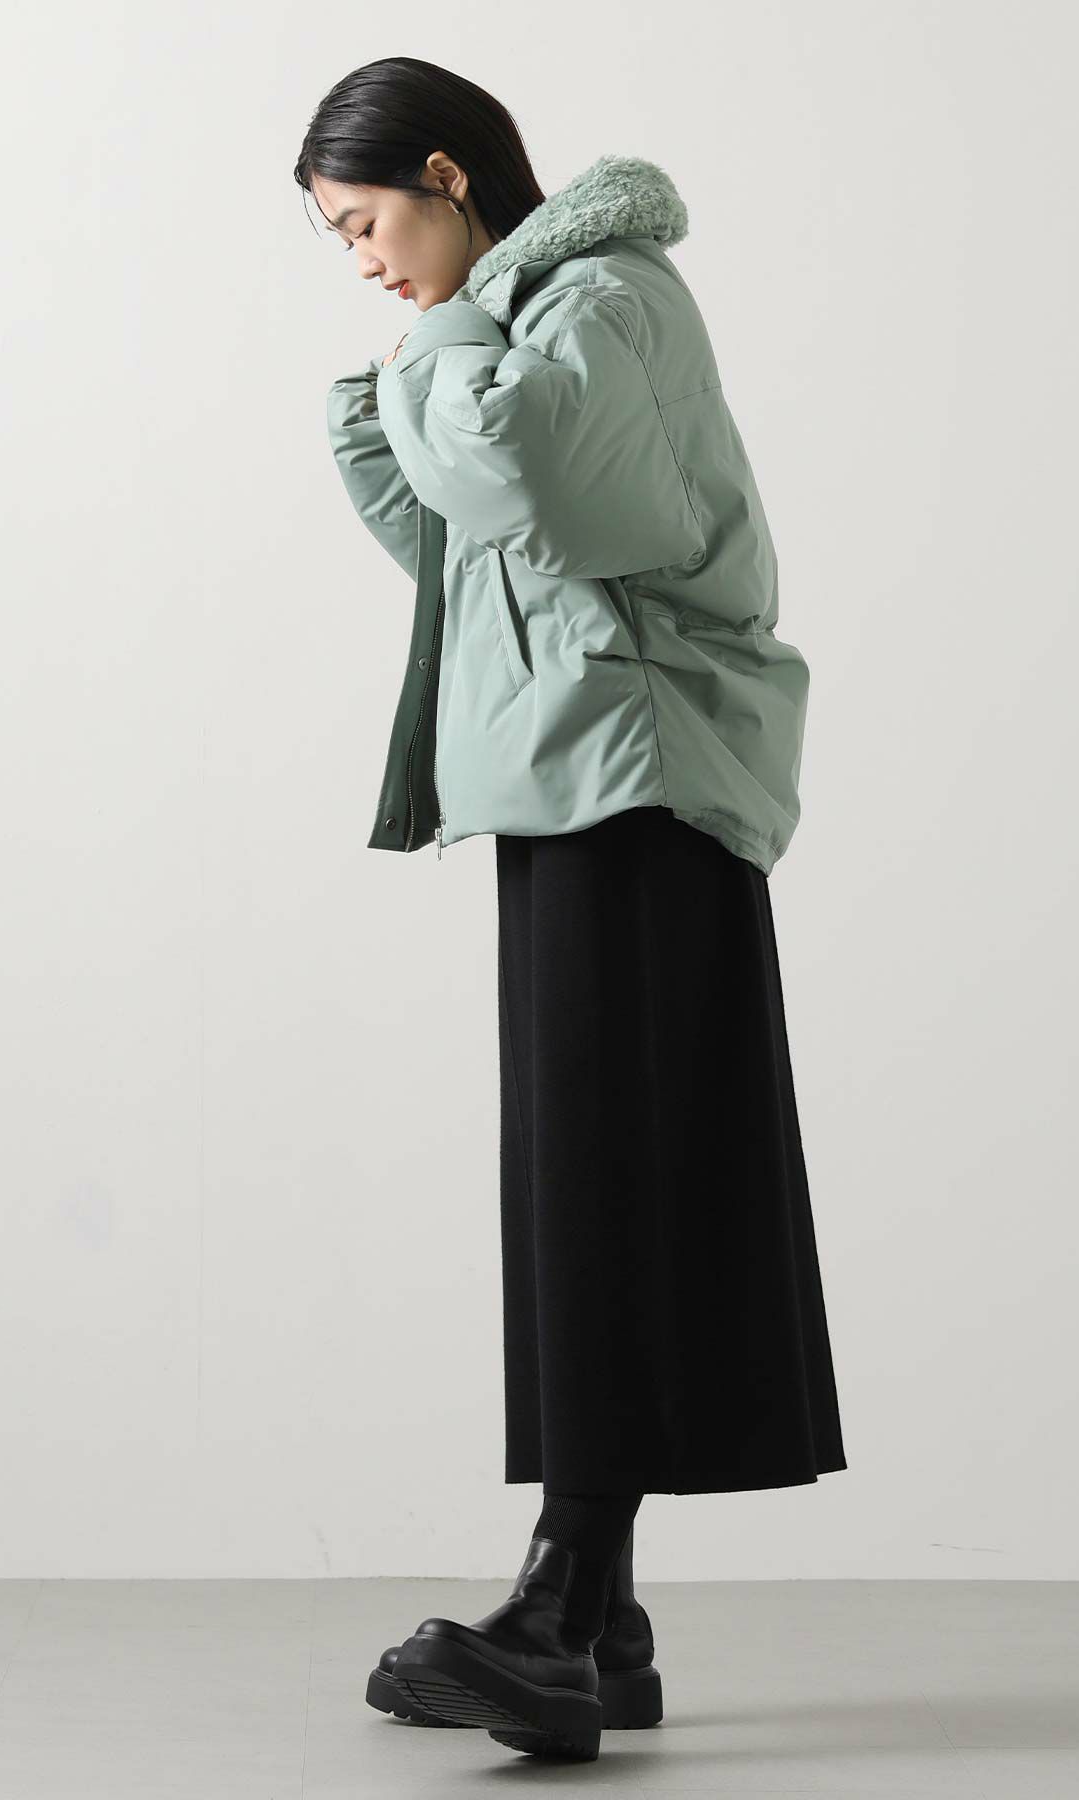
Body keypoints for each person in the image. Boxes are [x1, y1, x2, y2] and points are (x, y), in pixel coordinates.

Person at [297, 56, 847, 1764]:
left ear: (449, 176)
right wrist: (414, 375)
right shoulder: (518, 320)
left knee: (611, 1189)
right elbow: (460, 546)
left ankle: (562, 1606)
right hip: (561, 774)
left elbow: (535, 483)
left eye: (367, 223)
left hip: (643, 773)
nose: (365, 263)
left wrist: (437, 352)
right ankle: (598, 1625)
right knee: (583, 1189)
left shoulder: (604, 298)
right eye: (337, 241)